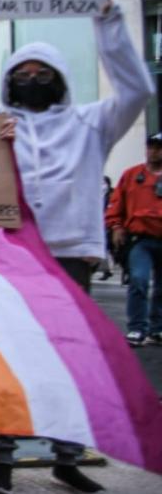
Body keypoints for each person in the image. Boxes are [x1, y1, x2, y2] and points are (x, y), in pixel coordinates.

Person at [0, 0, 153, 494]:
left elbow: (137, 88)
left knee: (72, 361)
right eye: (23, 72)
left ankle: (67, 455)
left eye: (42, 73)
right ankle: (2, 456)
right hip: (12, 258)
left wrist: (108, 19)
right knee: (11, 358)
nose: (31, 80)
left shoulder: (93, 123)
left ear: (58, 78)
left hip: (69, 257)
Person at [106, 133, 162, 347]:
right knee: (138, 279)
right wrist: (116, 226)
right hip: (140, 239)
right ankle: (137, 328)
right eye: (151, 147)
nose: (154, 151)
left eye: (159, 147)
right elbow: (116, 203)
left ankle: (158, 328)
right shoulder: (131, 175)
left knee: (161, 287)